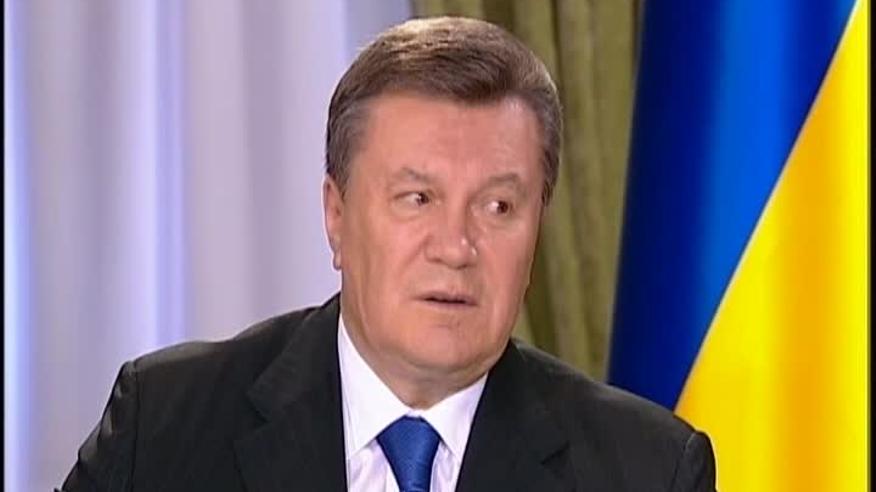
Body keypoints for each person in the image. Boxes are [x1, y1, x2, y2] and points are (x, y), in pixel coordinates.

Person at [61, 16, 716, 492]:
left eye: (498, 207)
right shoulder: (165, 427)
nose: (456, 247)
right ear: (336, 214)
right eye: (417, 198)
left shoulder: (646, 469)